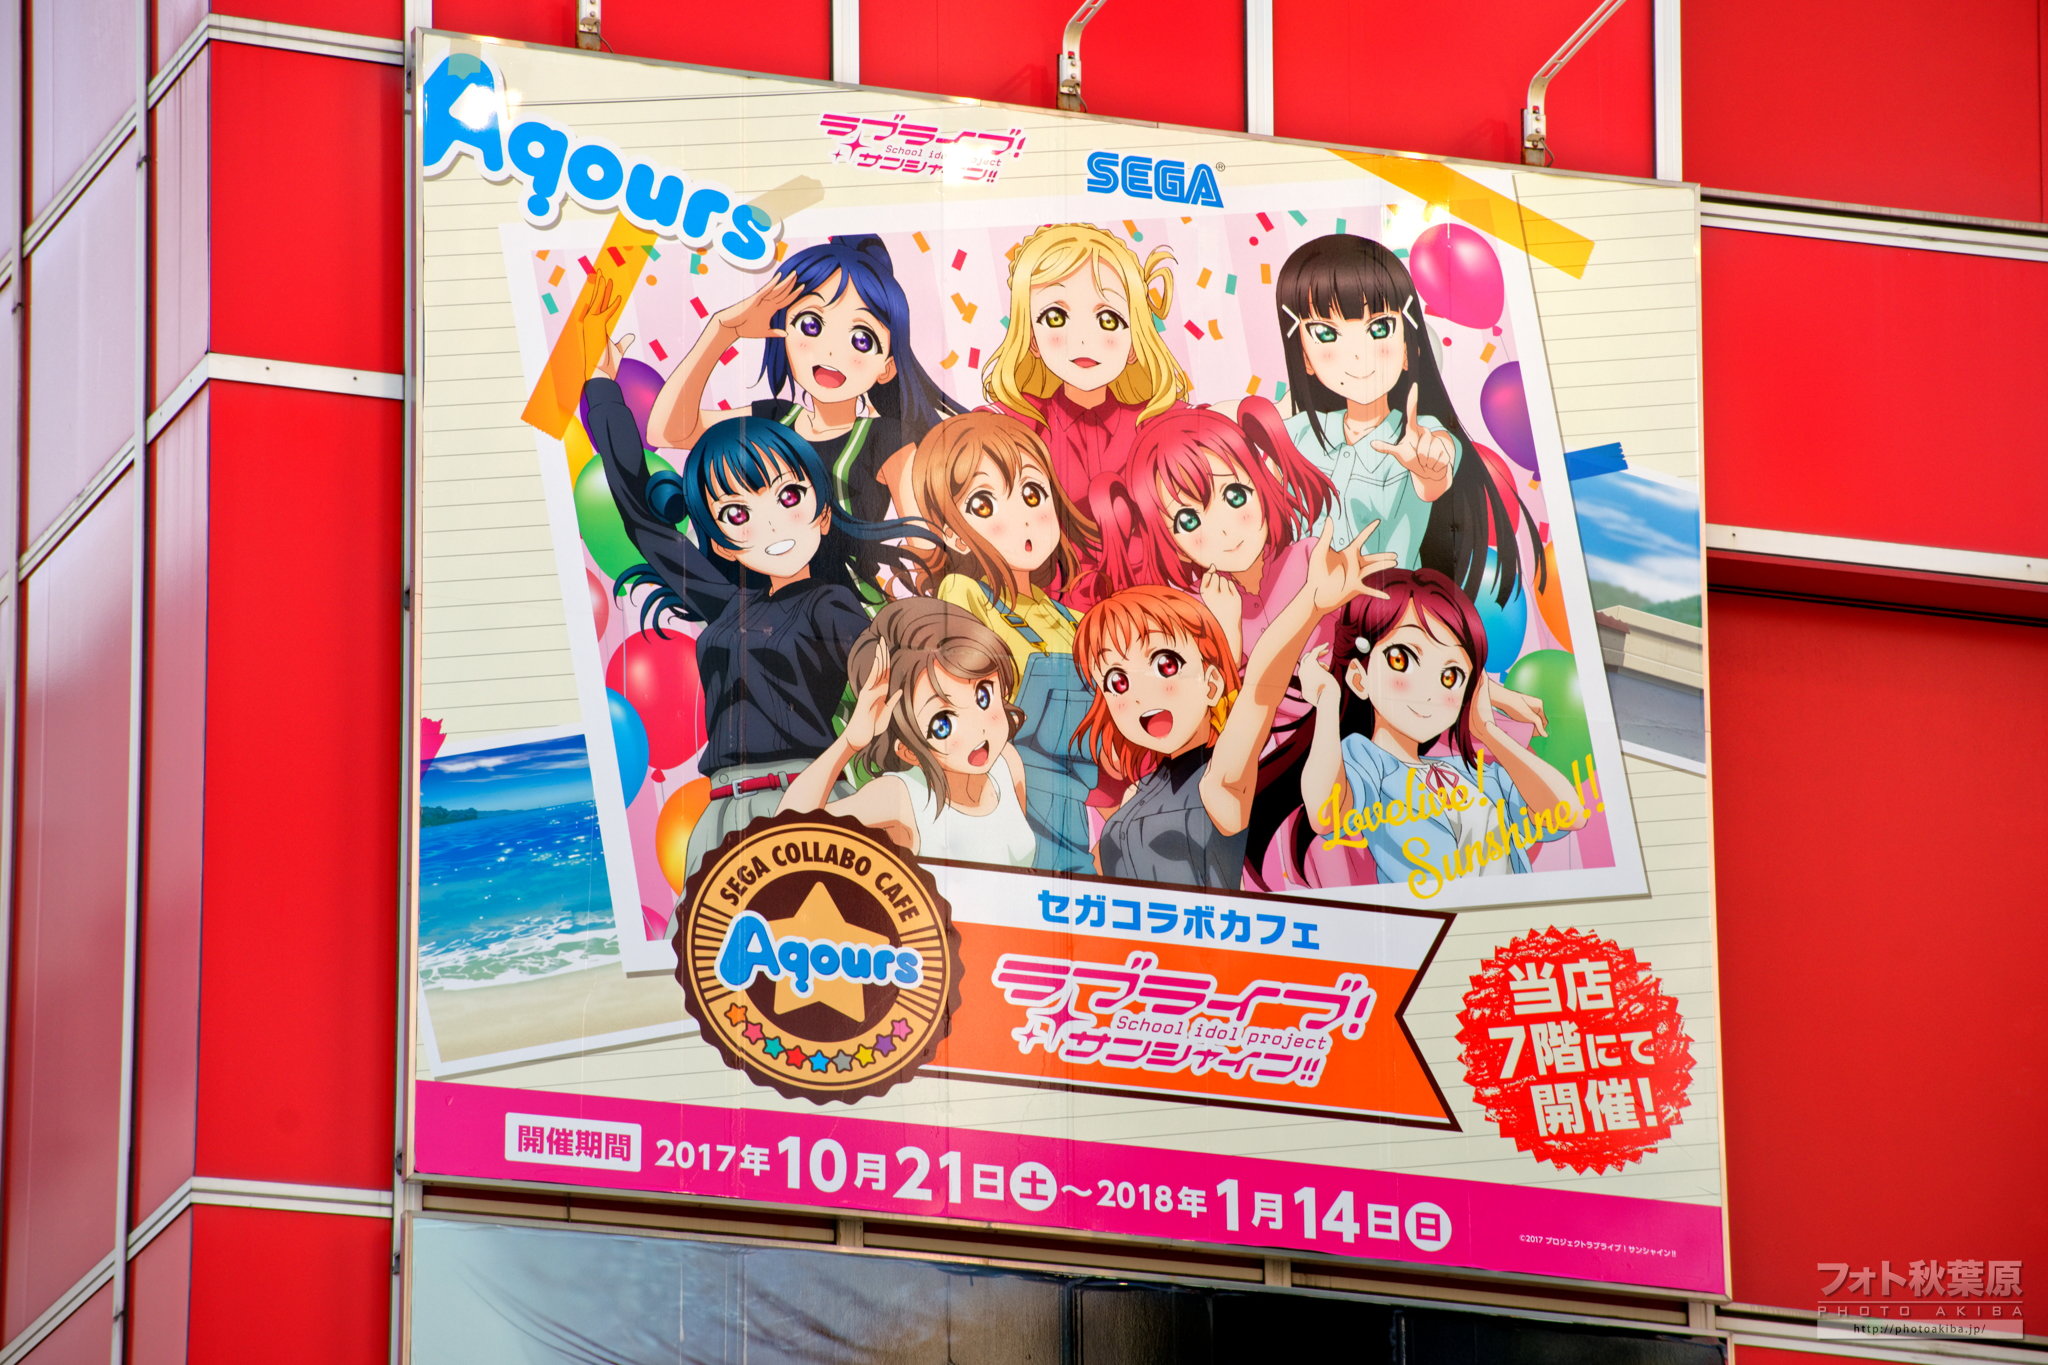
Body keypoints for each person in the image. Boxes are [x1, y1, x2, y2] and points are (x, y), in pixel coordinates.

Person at [580, 280, 939, 880]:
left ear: (822, 512)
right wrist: (603, 391)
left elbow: (896, 686)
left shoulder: (833, 605)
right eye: (737, 512)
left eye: (788, 496)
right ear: (721, 540)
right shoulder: (727, 601)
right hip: (720, 814)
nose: (770, 522)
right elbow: (642, 518)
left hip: (806, 800)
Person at [1072, 522, 1396, 890]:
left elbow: (1260, 689)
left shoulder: (1219, 779)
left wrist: (1312, 600)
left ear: (1211, 685)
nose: (1142, 693)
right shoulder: (1135, 793)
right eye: (1118, 681)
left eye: (1165, 664)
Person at [1256, 567, 1581, 893]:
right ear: (1359, 678)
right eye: (1402, 659)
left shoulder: (1476, 773)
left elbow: (1569, 815)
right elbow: (1325, 812)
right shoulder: (1370, 763)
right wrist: (1328, 701)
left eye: (1451, 676)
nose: (1429, 691)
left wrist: (1489, 733)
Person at [1274, 233, 1542, 610]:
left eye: (1379, 328)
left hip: (1387, 620)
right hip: (1304, 617)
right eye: (1326, 333)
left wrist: (1430, 469)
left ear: (1407, 347)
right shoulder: (1299, 434)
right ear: (1304, 355)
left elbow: (1437, 470)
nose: (1358, 355)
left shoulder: (1423, 433)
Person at [647, 234, 959, 539]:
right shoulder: (773, 418)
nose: (831, 352)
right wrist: (722, 330)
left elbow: (924, 542)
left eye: (861, 340)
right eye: (811, 325)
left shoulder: (885, 438)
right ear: (782, 329)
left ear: (886, 367)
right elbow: (668, 432)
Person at [908, 411, 1100, 873]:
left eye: (1032, 494)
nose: (1022, 519)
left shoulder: (1074, 621)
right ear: (953, 535)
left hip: (1078, 799)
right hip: (1007, 793)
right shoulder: (963, 593)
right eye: (984, 504)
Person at [977, 223, 1192, 607]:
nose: (1082, 339)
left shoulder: (1160, 422)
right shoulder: (1020, 425)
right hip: (1055, 610)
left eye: (1108, 319)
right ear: (1031, 338)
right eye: (1055, 317)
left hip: (1155, 608)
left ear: (1134, 340)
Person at [778, 598, 1035, 867]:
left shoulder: (1007, 762)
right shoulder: (901, 796)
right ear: (907, 750)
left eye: (984, 695)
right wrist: (850, 741)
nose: (978, 728)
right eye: (942, 724)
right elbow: (786, 836)